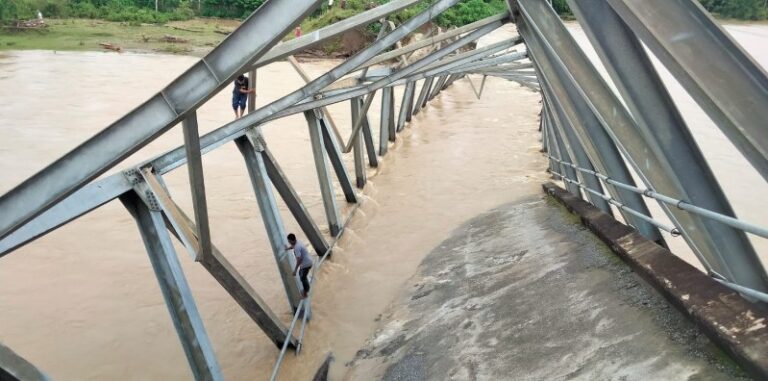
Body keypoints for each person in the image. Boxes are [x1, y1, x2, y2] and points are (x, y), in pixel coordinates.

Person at [287, 233, 313, 298]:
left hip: (306, 264)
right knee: (302, 274)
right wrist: (287, 248)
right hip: (308, 261)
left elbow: (299, 260)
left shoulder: (297, 248)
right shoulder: (298, 242)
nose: (289, 242)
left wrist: (295, 270)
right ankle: (306, 286)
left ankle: (305, 293)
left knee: (302, 277)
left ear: (292, 240)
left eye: (289, 241)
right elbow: (292, 246)